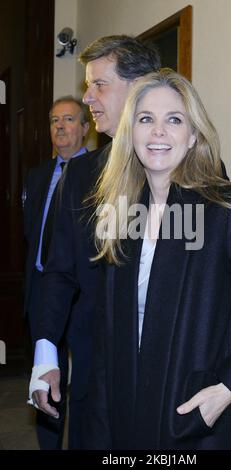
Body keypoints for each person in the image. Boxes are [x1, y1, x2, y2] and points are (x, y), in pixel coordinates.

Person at [85, 69, 231, 450]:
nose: (158, 132)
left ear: (194, 134)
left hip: (202, 424)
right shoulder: (123, 214)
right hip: (127, 416)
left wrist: (228, 389)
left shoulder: (227, 209)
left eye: (174, 120)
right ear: (131, 133)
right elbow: (108, 331)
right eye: (146, 119)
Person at [27, 35, 161, 449]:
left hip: (165, 378)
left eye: (99, 85)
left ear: (139, 87)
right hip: (93, 378)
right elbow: (60, 269)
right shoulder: (80, 177)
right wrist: (46, 354)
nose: (88, 97)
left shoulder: (190, 171)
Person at [24, 96, 90, 449]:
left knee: (85, 380)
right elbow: (31, 232)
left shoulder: (97, 174)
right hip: (42, 289)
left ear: (85, 127)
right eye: (54, 120)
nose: (60, 127)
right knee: (46, 375)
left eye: (68, 119)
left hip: (82, 295)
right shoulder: (36, 176)